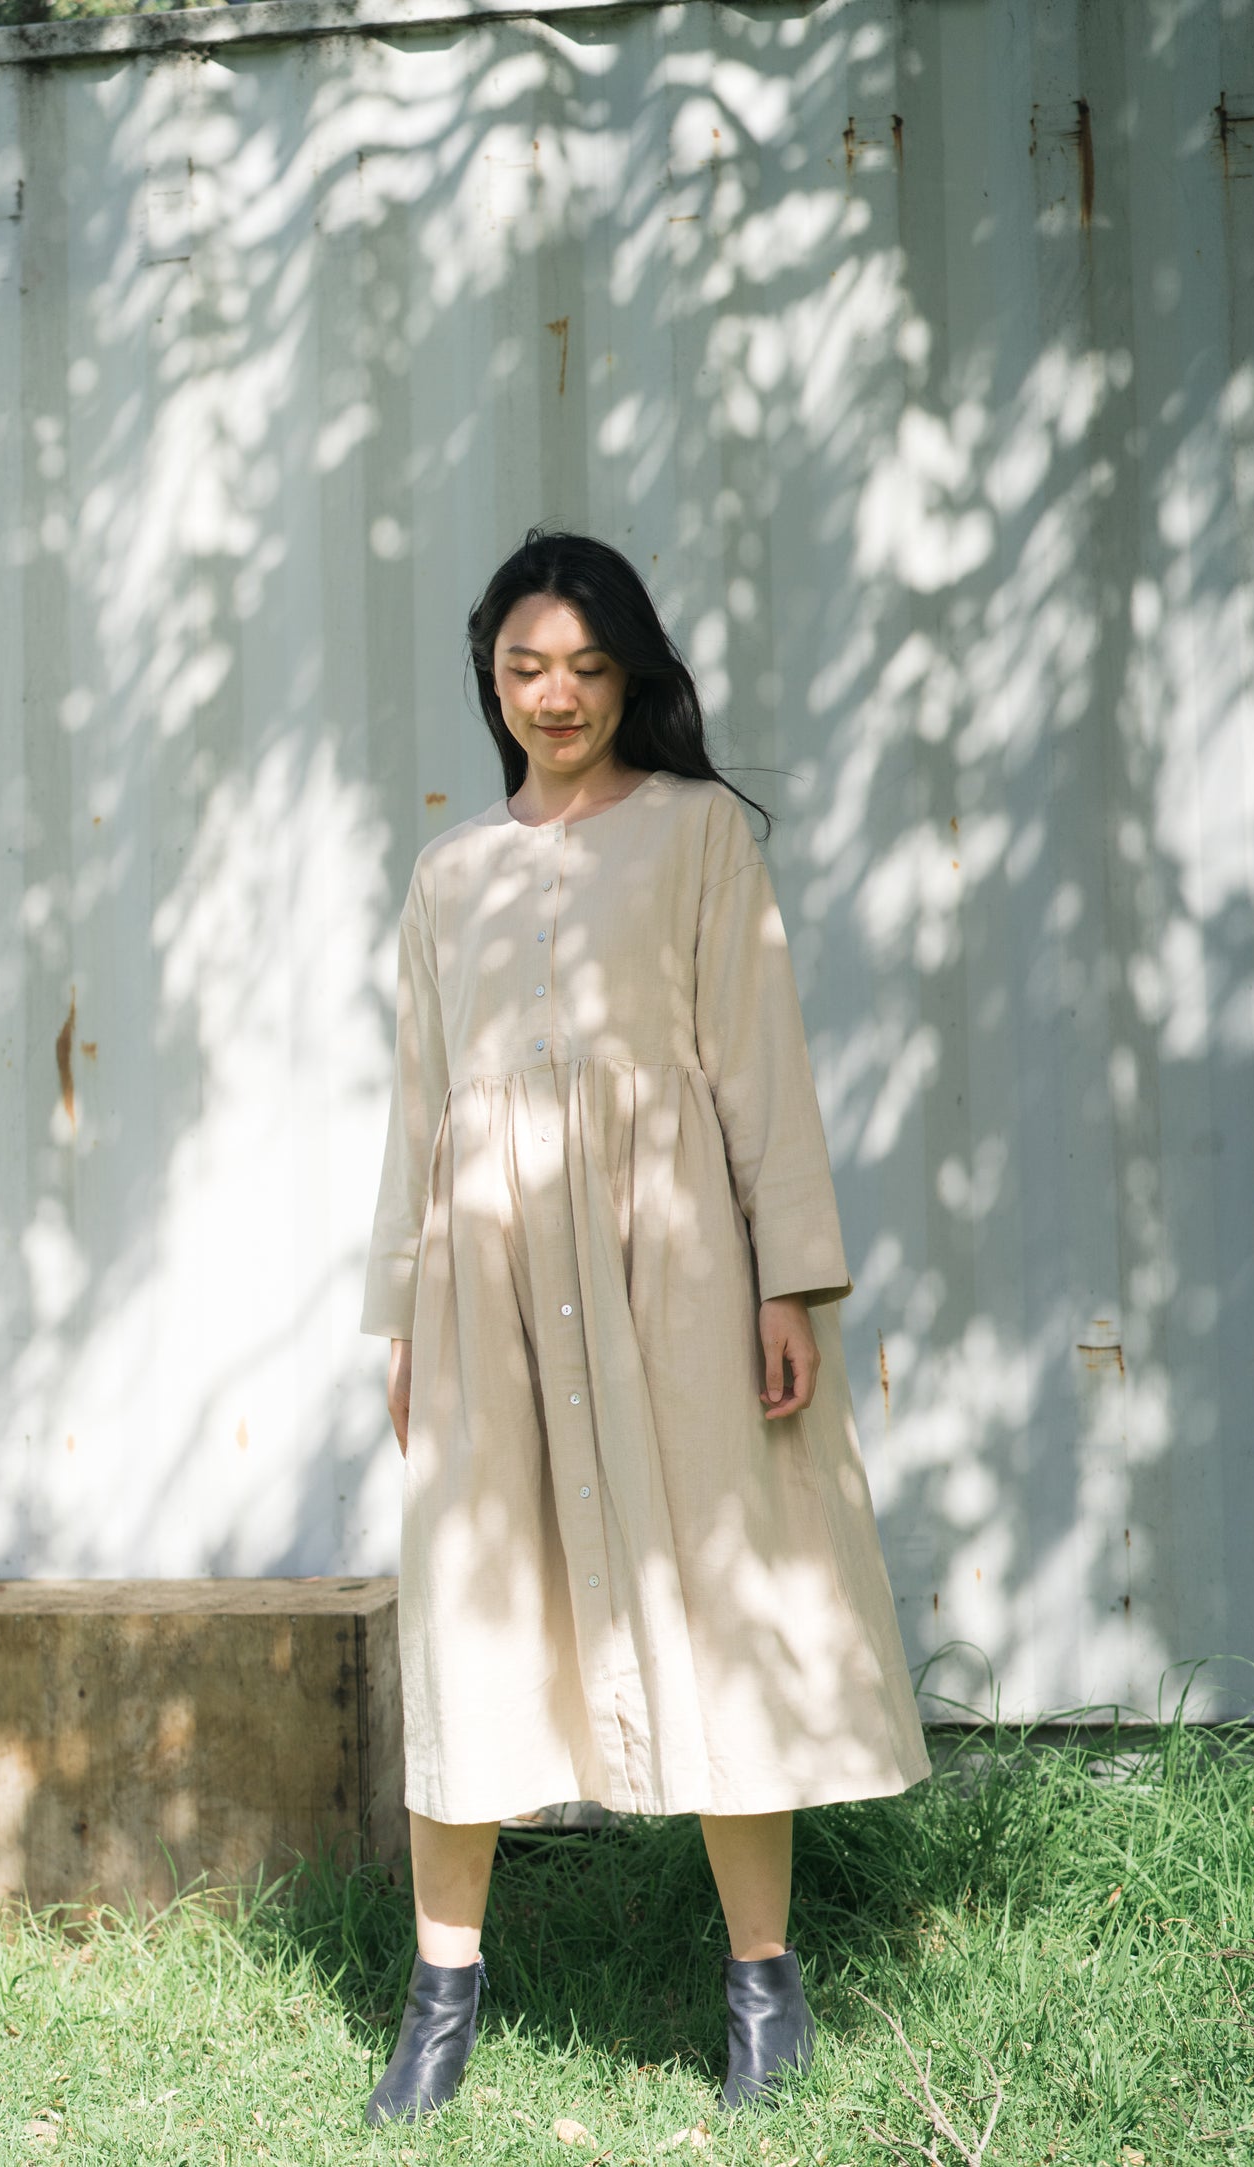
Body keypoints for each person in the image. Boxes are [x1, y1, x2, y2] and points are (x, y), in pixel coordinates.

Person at [359, 530, 930, 2123]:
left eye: (588, 668)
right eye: (527, 667)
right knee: (472, 1620)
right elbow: (419, 1108)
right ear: (489, 673)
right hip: (482, 1284)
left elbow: (757, 1062)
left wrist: (785, 1281)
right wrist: (397, 1314)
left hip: (672, 1264)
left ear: (632, 675)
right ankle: (441, 1999)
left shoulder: (694, 838)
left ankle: (763, 1989)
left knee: (714, 1590)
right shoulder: (448, 873)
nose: (556, 696)